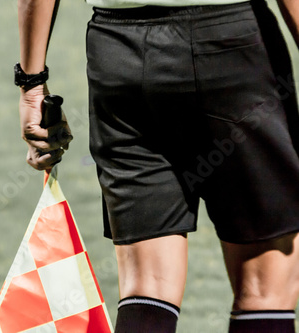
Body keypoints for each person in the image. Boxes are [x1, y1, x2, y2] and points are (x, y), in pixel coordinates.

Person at [15, 0, 299, 331]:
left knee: (147, 289)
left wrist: (32, 86)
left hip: (119, 51)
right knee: (266, 289)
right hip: (234, 43)